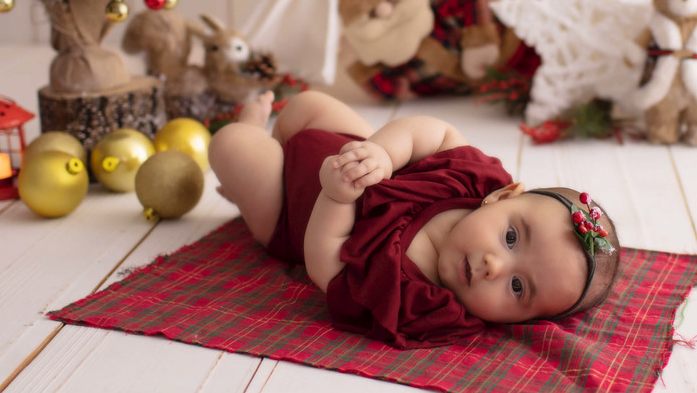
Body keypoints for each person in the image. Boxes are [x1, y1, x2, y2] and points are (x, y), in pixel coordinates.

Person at [208, 90, 621, 349]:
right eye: (511, 237)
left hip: (290, 208)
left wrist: (336, 196)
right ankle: (264, 155)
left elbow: (327, 266)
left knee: (232, 146)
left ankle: (250, 148)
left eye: (517, 287)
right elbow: (435, 132)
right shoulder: (473, 180)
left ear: (520, 321)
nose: (494, 265)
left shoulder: (422, 303)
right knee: (306, 104)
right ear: (502, 197)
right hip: (355, 150)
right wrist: (383, 154)